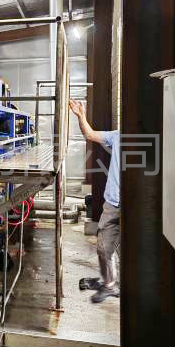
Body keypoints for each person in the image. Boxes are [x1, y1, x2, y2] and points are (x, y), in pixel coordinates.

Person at [69, 99, 120, 303]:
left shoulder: (148, 141)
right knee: (104, 247)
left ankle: (113, 284)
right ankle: (109, 283)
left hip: (135, 207)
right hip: (113, 203)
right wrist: (81, 116)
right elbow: (89, 134)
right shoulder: (117, 136)